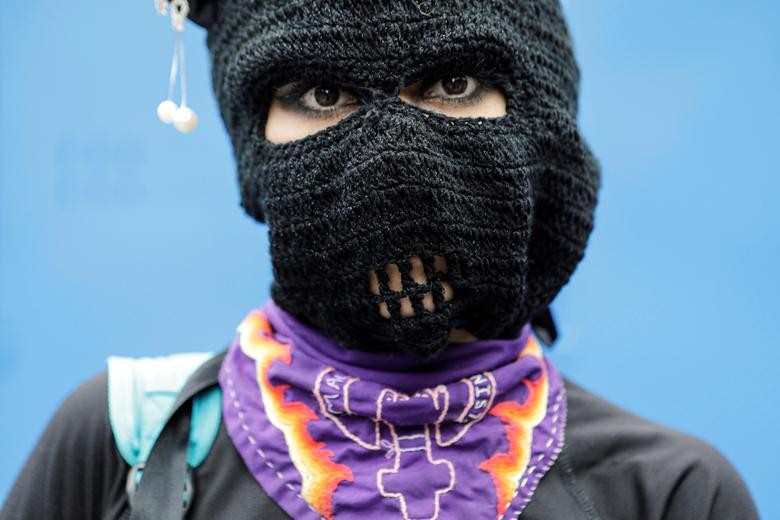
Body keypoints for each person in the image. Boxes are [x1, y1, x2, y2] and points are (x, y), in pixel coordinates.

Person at [0, 0, 760, 519]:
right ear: (251, 143)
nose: (393, 155)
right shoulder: (123, 453)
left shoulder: (668, 496)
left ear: (541, 122)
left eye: (453, 83)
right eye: (322, 92)